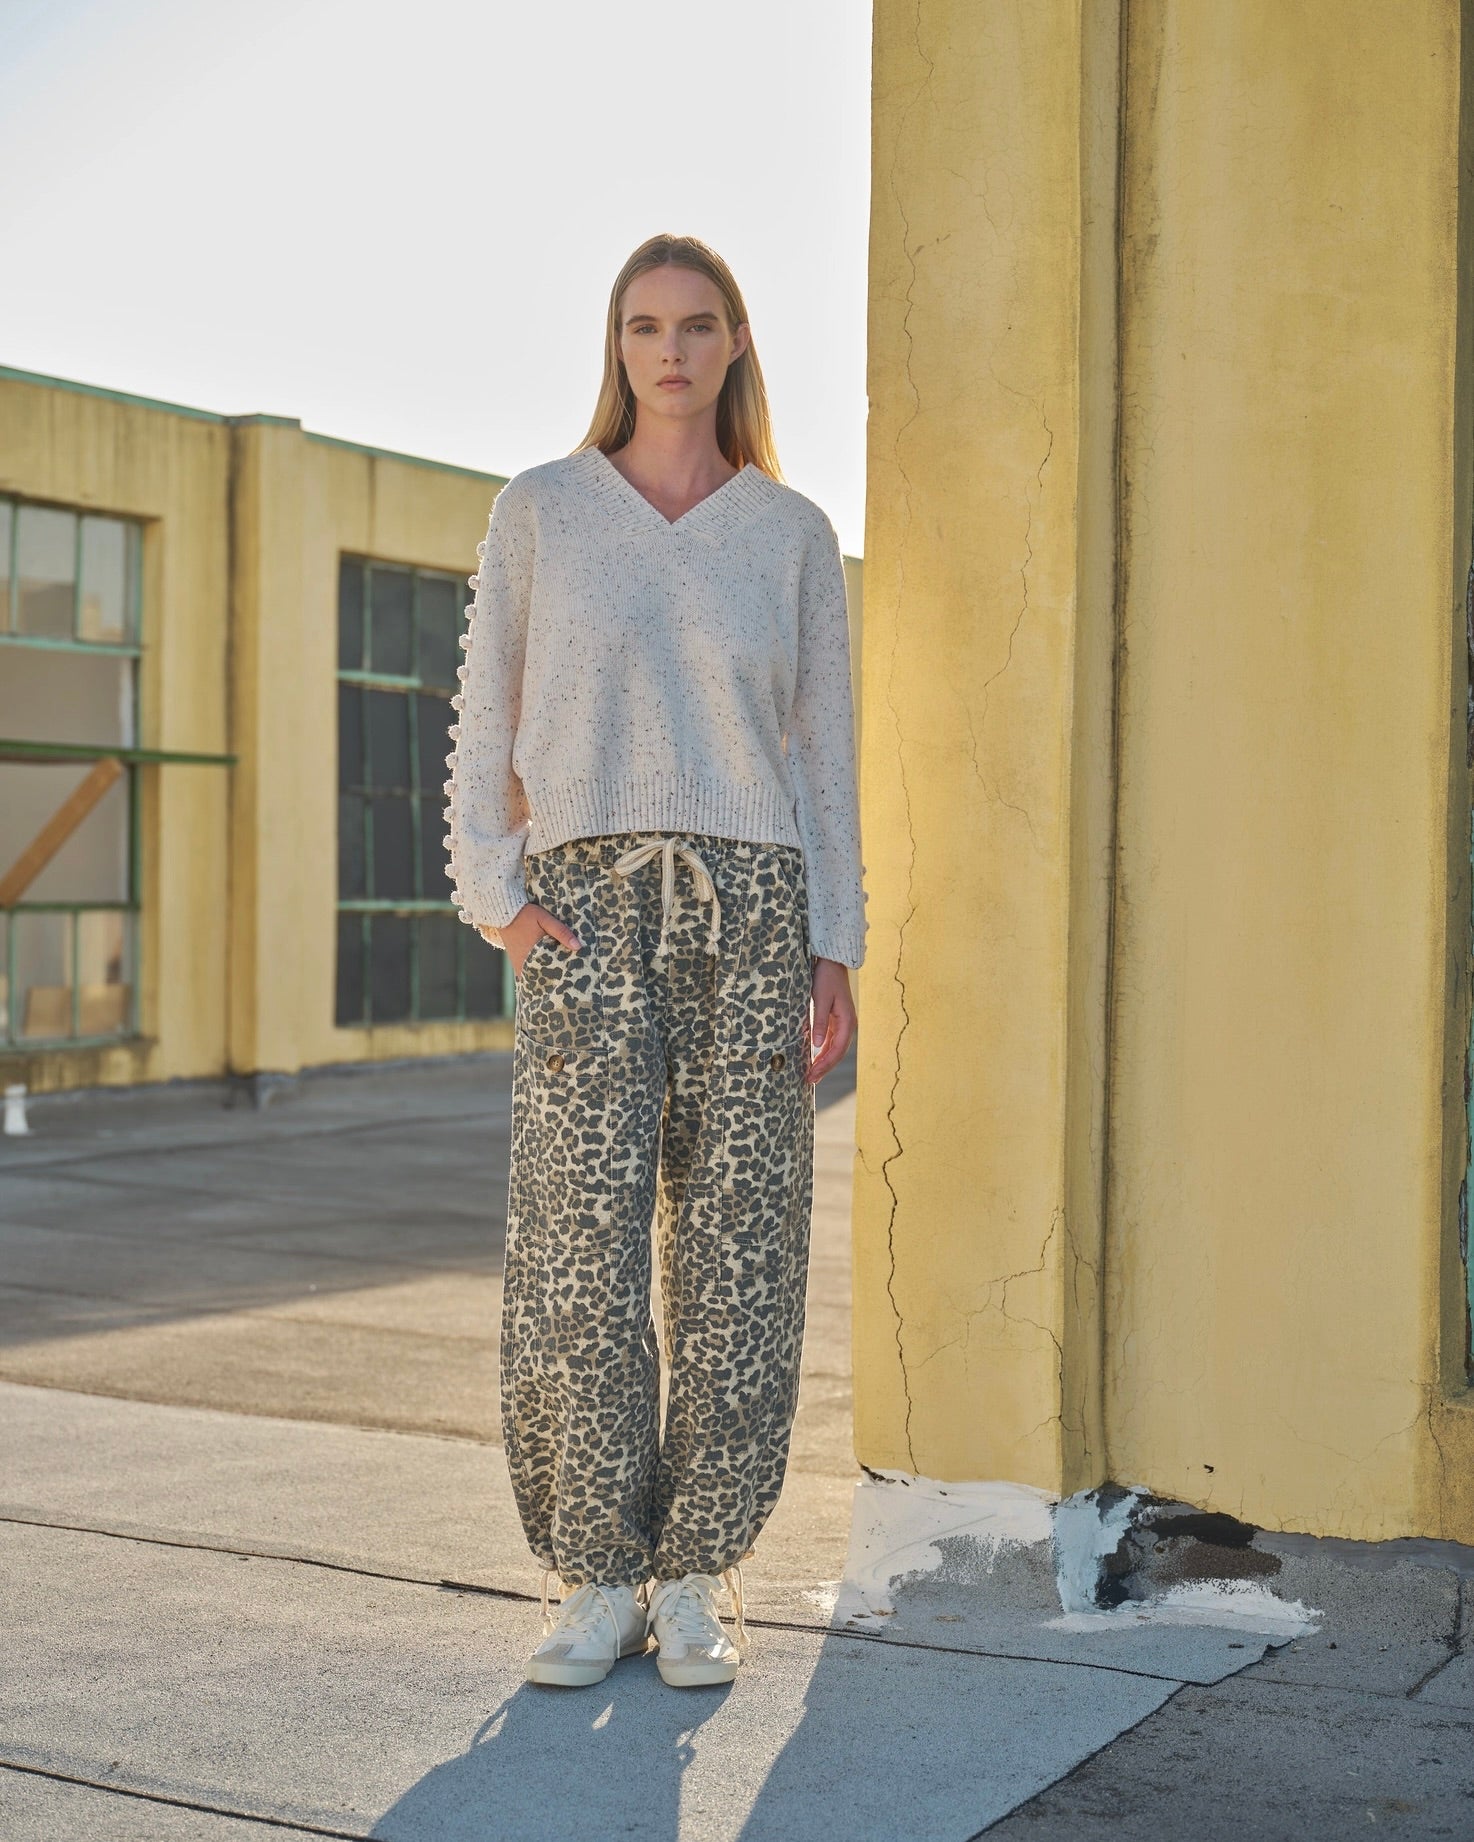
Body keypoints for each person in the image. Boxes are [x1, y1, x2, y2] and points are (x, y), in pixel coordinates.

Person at [443, 232, 867, 1690]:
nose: (668, 351)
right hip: (581, 906)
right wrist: (497, 900)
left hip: (753, 908)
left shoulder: (790, 533)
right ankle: (594, 1573)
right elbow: (482, 712)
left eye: (696, 325)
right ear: (614, 346)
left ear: (737, 342)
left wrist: (832, 943)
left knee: (742, 1250)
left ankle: (695, 1573)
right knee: (576, 1247)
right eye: (642, 326)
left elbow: (823, 757)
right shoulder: (543, 510)